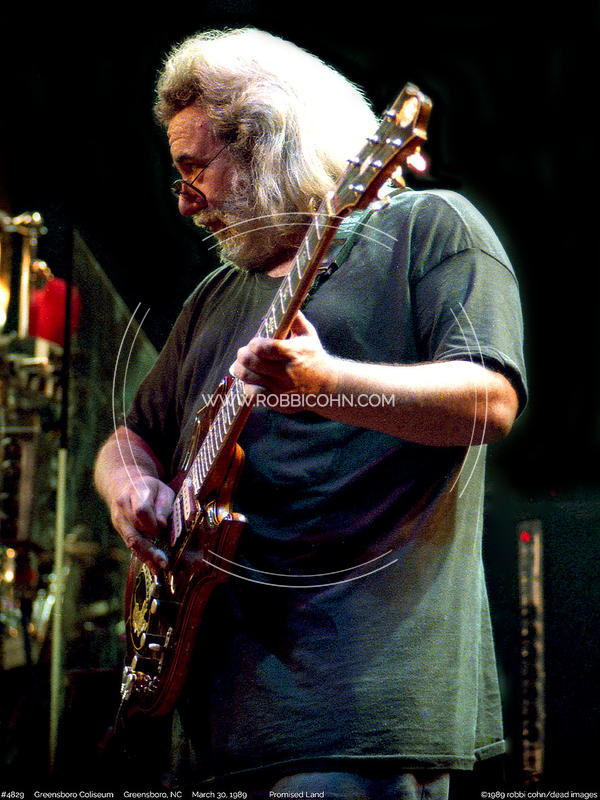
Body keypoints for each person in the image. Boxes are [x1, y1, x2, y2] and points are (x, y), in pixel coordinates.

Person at [94, 27, 527, 800]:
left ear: (268, 146)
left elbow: (488, 404)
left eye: (194, 169)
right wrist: (130, 489)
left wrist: (325, 383)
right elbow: (130, 438)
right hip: (207, 725)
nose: (184, 202)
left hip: (354, 719)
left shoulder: (431, 230)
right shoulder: (214, 299)